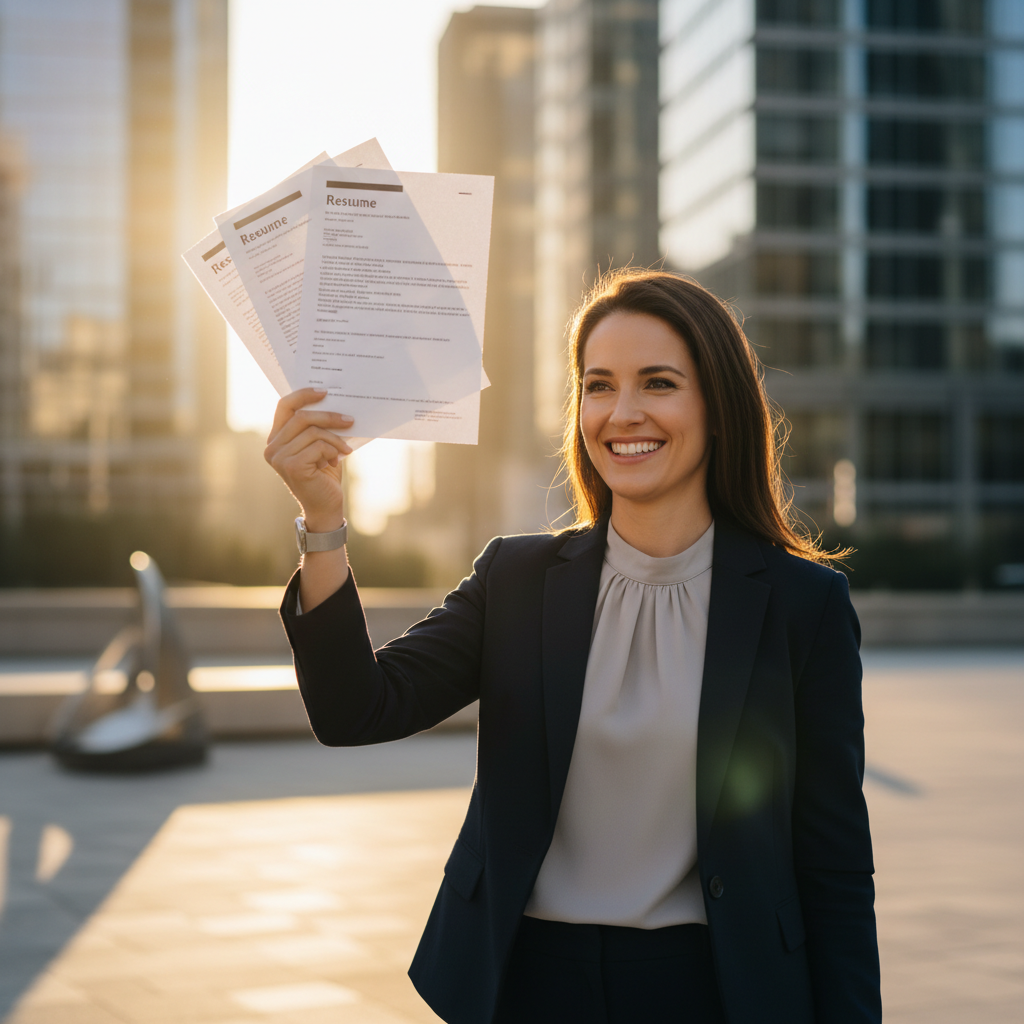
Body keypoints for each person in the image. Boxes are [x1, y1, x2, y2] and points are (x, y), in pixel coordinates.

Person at [265, 270, 881, 1024]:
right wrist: (323, 521)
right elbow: (355, 709)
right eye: (598, 386)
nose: (622, 413)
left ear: (718, 407)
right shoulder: (517, 578)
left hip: (712, 987)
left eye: (658, 383)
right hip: (528, 982)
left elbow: (834, 865)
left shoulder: (802, 606)